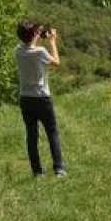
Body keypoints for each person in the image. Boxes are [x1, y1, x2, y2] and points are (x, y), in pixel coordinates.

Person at [15, 20, 65, 177]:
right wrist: (52, 42)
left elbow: (27, 44)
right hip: (42, 97)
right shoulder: (41, 51)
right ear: (34, 35)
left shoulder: (17, 51)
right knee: (52, 132)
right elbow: (56, 62)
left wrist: (36, 34)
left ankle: (37, 171)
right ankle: (59, 168)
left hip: (25, 98)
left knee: (31, 134)